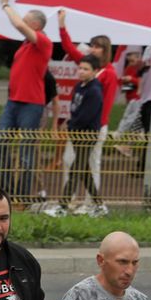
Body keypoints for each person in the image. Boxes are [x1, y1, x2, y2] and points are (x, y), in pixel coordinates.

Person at [0, 0, 54, 204]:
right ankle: (7, 191)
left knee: (26, 152)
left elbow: (18, 24)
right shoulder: (25, 46)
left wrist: (6, 4)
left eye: (27, 20)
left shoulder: (44, 42)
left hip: (31, 104)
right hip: (14, 102)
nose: (22, 22)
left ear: (35, 25)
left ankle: (22, 196)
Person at [57, 10, 118, 211]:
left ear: (105, 50)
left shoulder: (108, 73)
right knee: (71, 161)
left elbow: (106, 103)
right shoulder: (87, 67)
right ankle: (73, 200)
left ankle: (91, 203)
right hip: (78, 126)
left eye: (98, 47)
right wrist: (62, 26)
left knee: (91, 164)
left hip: (94, 126)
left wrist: (99, 125)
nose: (93, 49)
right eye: (92, 46)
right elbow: (68, 47)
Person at [48, 57, 105, 216]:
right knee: (84, 170)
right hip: (76, 134)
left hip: (87, 135)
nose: (81, 71)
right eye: (80, 68)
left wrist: (71, 125)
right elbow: (75, 109)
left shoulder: (94, 91)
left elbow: (86, 116)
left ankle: (62, 207)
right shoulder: (79, 86)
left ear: (94, 71)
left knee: (75, 169)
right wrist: (70, 124)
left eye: (86, 69)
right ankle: (99, 205)